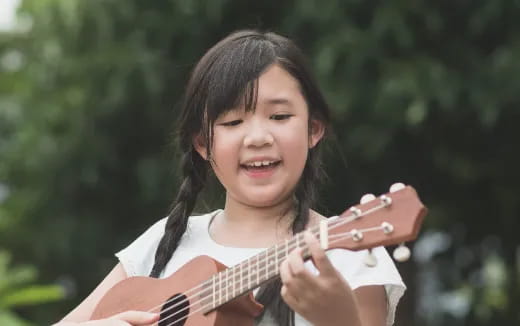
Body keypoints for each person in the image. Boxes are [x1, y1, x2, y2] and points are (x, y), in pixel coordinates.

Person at [54, 30, 405, 326]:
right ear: (203, 144)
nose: (257, 137)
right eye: (233, 122)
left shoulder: (350, 256)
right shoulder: (163, 243)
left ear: (313, 129)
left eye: (279, 116)